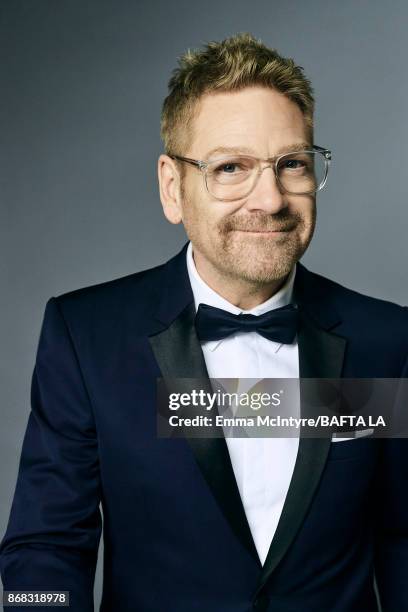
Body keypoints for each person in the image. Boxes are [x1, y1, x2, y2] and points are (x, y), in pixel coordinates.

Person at [0, 32, 407, 612]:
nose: (268, 198)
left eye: (290, 163)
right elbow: (43, 553)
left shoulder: (389, 341)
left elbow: (402, 538)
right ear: (173, 188)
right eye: (231, 167)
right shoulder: (85, 336)